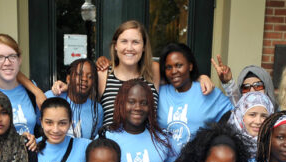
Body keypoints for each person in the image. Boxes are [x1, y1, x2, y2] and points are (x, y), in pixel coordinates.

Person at [52, 20, 214, 126]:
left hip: (147, 154)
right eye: (124, 41)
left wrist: (200, 77)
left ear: (143, 47)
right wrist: (66, 86)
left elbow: (179, 77)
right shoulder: (103, 74)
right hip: (110, 158)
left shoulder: (154, 71)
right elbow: (82, 97)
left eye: (135, 42)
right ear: (115, 46)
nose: (129, 48)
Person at [157, 43, 232, 150]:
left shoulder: (206, 91)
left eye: (179, 65)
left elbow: (238, 113)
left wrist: (228, 83)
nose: (173, 71)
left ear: (190, 66)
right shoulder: (160, 92)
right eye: (169, 67)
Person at [101, 79, 179, 162]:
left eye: (143, 103)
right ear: (121, 104)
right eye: (131, 102)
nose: (138, 108)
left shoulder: (162, 138)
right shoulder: (106, 137)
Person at [0, 33, 42, 143]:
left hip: (29, 158)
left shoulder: (31, 91)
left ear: (19, 59)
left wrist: (37, 142)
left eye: (12, 56)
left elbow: (45, 127)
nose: (7, 63)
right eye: (0, 57)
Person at [33, 97, 91, 162]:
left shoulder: (85, 146)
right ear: (41, 122)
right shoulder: (33, 146)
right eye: (49, 122)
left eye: (62, 123)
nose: (55, 130)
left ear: (70, 123)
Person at [45, 58, 103, 139]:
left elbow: (93, 140)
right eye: (79, 74)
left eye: (90, 77)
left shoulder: (97, 109)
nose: (85, 79)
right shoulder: (51, 97)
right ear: (68, 79)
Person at [210, 58, 277, 111]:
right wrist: (227, 82)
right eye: (246, 88)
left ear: (267, 87)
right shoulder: (239, 115)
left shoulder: (278, 119)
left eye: (257, 86)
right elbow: (234, 97)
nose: (252, 91)